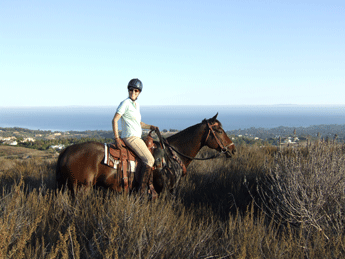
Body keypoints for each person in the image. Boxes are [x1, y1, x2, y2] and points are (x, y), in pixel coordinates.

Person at [112, 78, 158, 197]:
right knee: (150, 160)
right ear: (128, 90)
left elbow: (139, 123)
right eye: (131, 90)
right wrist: (117, 138)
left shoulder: (136, 105)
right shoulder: (125, 103)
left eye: (136, 90)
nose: (133, 92)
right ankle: (141, 191)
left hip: (137, 136)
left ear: (139, 92)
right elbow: (115, 119)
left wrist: (150, 126)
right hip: (130, 137)